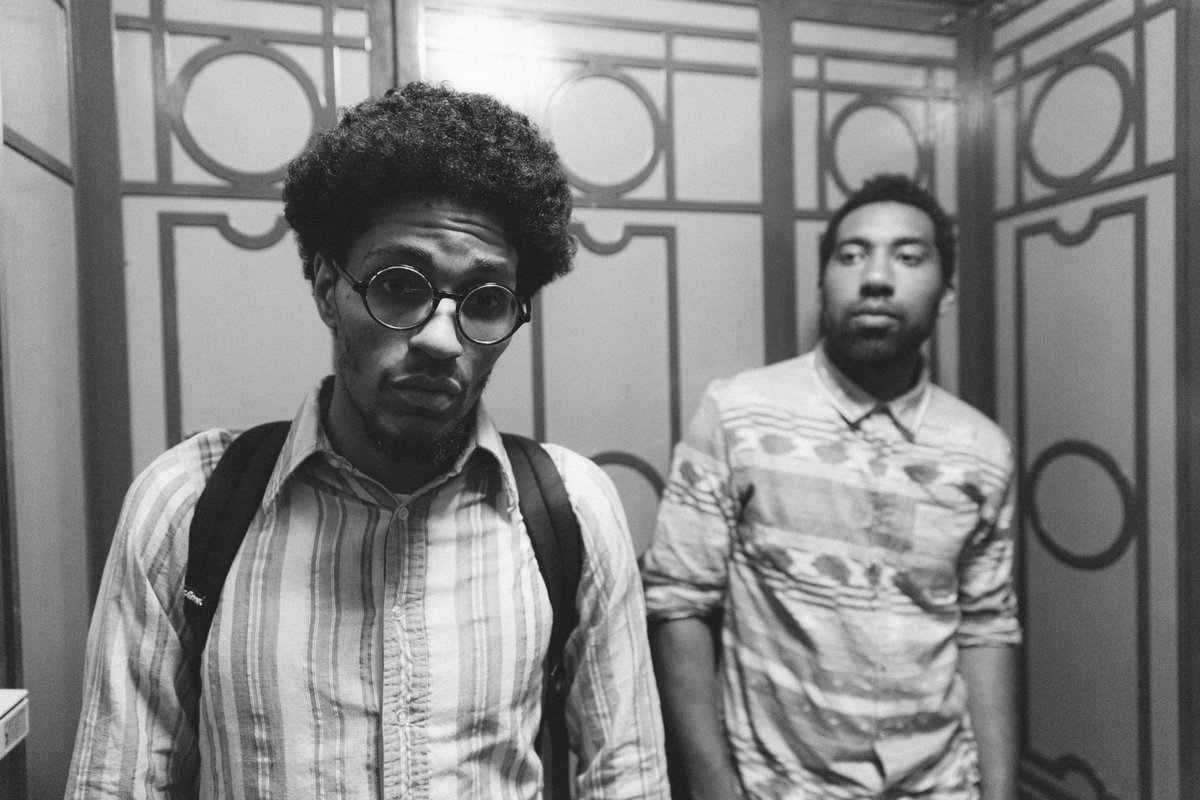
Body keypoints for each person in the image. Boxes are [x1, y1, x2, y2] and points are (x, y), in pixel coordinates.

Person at [66, 81, 668, 800]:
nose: (442, 340)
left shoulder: (573, 510)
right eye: (400, 285)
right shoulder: (186, 505)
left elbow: (628, 778)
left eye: (485, 300)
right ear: (328, 286)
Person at [641, 173, 1020, 800]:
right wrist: (714, 788)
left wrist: (1000, 792)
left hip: (942, 783)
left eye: (908, 256)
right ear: (822, 286)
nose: (876, 277)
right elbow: (678, 603)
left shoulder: (981, 450)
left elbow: (987, 628)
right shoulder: (738, 415)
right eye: (851, 255)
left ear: (947, 293)